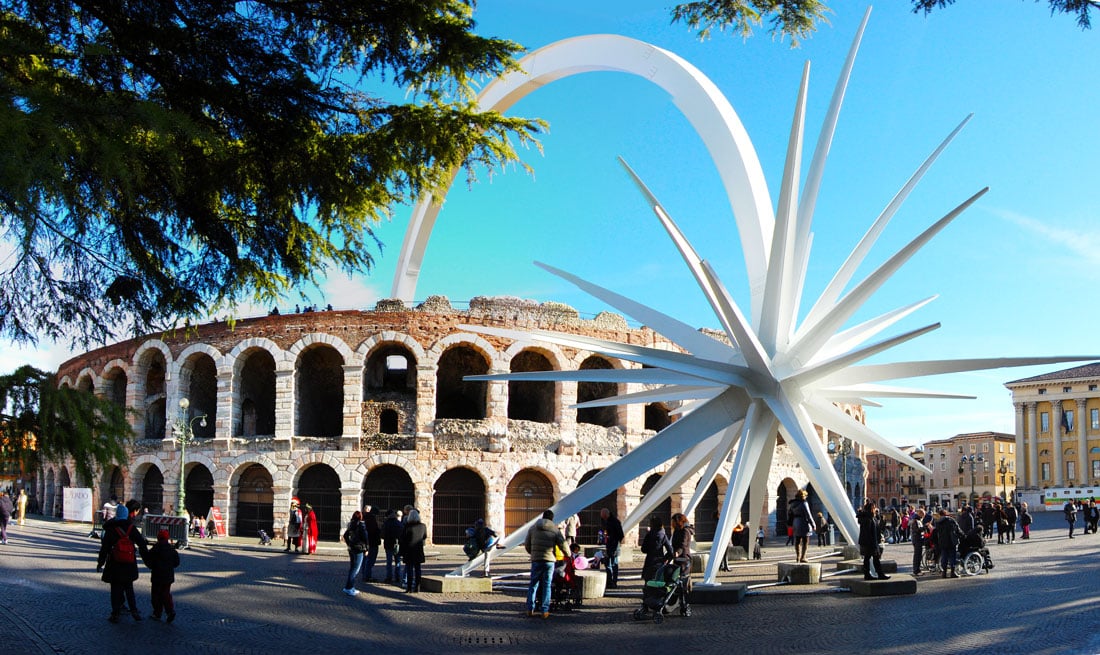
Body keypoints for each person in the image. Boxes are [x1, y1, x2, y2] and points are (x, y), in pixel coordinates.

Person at [97, 504, 150, 622]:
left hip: (115, 563)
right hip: (129, 563)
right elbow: (142, 544)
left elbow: (104, 549)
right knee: (129, 588)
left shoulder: (111, 529)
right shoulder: (131, 528)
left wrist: (100, 563)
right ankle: (134, 610)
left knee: (115, 589)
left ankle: (115, 613)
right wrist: (148, 561)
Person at [524, 509, 565, 619]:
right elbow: (563, 544)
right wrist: (568, 554)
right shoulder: (555, 530)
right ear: (552, 519)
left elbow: (527, 544)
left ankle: (529, 609)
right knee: (547, 585)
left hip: (536, 560)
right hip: (549, 560)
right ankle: (544, 610)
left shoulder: (533, 528)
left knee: (533, 584)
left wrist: (533, 553)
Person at [144, 529, 181, 622]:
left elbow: (148, 561)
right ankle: (170, 611)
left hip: (157, 575)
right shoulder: (171, 549)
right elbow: (177, 562)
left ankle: (157, 613)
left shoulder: (155, 549)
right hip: (168, 576)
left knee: (156, 595)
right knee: (166, 594)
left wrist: (153, 566)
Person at [857, 501, 889, 580]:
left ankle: (873, 574)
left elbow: (876, 529)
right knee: (871, 558)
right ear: (871, 509)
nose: (875, 509)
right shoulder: (868, 519)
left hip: (869, 542)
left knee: (871, 558)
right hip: (869, 543)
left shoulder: (870, 518)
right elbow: (869, 533)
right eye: (874, 508)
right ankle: (874, 574)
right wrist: (874, 543)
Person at [670, 513, 695, 615]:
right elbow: (673, 546)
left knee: (682, 583)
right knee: (676, 581)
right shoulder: (676, 531)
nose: (671, 524)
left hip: (684, 559)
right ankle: (677, 602)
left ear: (678, 521)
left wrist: (677, 552)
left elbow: (683, 545)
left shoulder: (685, 531)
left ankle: (684, 605)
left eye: (673, 522)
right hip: (677, 559)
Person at [398, 509, 427, 593]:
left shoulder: (407, 526)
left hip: (409, 550)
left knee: (409, 569)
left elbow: (402, 538)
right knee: (418, 569)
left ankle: (409, 587)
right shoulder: (423, 526)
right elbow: (424, 536)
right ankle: (417, 587)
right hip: (418, 549)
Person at [342, 511, 369, 596]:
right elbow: (365, 538)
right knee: (355, 569)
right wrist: (366, 549)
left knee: (352, 568)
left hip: (352, 548)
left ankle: (350, 586)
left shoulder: (351, 524)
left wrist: (349, 544)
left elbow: (345, 535)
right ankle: (349, 588)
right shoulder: (361, 525)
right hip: (359, 548)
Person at [640, 515, 673, 581]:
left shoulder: (649, 535)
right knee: (658, 579)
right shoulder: (663, 535)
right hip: (660, 560)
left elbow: (643, 549)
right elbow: (670, 551)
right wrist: (665, 559)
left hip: (650, 560)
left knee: (648, 580)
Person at [935, 508, 964, 579]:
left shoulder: (937, 522)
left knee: (944, 557)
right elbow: (957, 529)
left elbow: (936, 531)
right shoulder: (951, 520)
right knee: (952, 557)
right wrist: (963, 535)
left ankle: (944, 573)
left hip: (942, 542)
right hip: (951, 541)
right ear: (946, 513)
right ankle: (952, 572)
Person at [600, 507, 624, 589]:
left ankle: (614, 581)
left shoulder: (614, 522)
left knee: (614, 564)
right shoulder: (607, 521)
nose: (602, 518)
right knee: (608, 564)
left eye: (603, 516)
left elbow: (620, 534)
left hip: (614, 546)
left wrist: (615, 541)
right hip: (609, 545)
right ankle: (609, 581)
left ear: (606, 514)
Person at [788, 489, 816, 563]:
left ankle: (798, 556)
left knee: (797, 540)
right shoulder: (804, 503)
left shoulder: (792, 504)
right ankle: (803, 557)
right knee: (805, 541)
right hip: (804, 522)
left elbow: (790, 514)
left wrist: (790, 523)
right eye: (806, 495)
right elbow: (808, 515)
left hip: (795, 522)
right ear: (803, 496)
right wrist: (813, 524)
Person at [382, 509, 402, 584]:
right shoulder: (398, 523)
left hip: (388, 544)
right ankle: (398, 577)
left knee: (389, 561)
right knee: (397, 561)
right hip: (397, 544)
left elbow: (382, 535)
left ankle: (389, 577)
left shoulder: (386, 523)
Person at [362, 506, 381, 583]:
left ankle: (365, 575)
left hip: (368, 542)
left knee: (366, 560)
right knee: (370, 560)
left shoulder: (366, 518)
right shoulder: (372, 519)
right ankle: (367, 576)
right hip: (373, 542)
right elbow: (373, 531)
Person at [910, 508, 926, 576]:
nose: (924, 516)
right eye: (923, 515)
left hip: (918, 539)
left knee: (918, 555)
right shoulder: (916, 521)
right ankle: (916, 570)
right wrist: (924, 527)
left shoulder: (917, 520)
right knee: (917, 555)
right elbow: (917, 530)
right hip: (917, 540)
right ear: (920, 514)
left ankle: (918, 569)